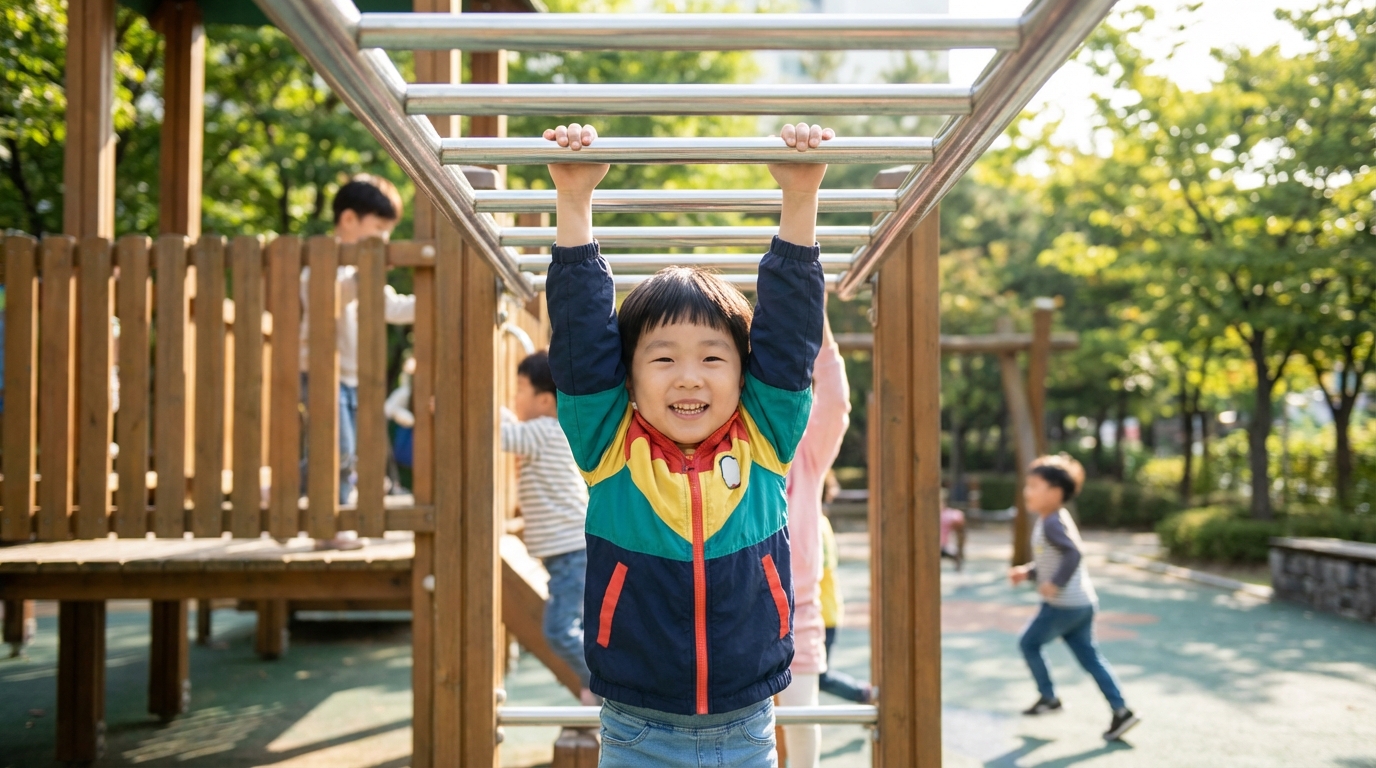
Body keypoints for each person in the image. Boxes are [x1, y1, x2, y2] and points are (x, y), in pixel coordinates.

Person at [543, 121, 832, 767]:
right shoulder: (610, 446)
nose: (689, 376)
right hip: (635, 727)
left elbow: (788, 340)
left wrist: (800, 198)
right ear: (630, 377)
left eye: (711, 357)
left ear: (741, 371)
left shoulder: (764, 438)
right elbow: (581, 345)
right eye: (663, 358)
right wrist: (574, 202)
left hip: (746, 724)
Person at [301, 175, 416, 549]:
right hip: (321, 373)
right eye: (379, 229)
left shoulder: (360, 272)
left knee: (344, 451)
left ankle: (320, 510)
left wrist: (433, 302)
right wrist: (362, 277)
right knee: (338, 449)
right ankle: (329, 524)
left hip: (349, 377)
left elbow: (390, 305)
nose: (384, 239)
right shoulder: (318, 264)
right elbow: (327, 298)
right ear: (349, 220)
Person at [1008, 454, 1140, 742]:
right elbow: (1052, 560)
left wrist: (1054, 584)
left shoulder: (1052, 523)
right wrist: (1030, 573)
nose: (1026, 491)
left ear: (1055, 493)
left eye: (1033, 486)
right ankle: (1121, 711)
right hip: (1083, 604)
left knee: (1028, 643)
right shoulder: (1053, 519)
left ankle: (1048, 697)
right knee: (1090, 658)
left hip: (1063, 607)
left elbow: (1073, 553)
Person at [499, 349, 597, 705]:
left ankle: (601, 682)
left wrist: (481, 401)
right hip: (569, 551)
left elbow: (500, 435)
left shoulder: (541, 430)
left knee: (559, 630)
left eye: (519, 389)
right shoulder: (550, 429)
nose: (514, 397)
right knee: (578, 628)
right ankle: (597, 685)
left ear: (543, 400)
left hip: (570, 551)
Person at [779, 310, 849, 768]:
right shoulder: (727, 441)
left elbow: (835, 404)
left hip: (797, 609)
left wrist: (817, 324)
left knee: (802, 724)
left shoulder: (804, 453)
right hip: (733, 606)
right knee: (736, 728)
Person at [817, 511, 875, 705]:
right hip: (825, 609)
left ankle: (864, 694)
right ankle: (865, 694)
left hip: (821, 612)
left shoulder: (814, 523)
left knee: (818, 675)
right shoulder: (821, 521)